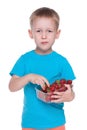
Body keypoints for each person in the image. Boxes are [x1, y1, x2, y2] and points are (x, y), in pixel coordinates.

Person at [9, 7, 76, 130]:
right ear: (31, 33)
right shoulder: (24, 60)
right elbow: (12, 87)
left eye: (49, 31)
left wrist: (70, 96)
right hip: (30, 123)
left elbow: (70, 92)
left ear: (57, 34)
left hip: (56, 123)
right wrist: (29, 77)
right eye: (39, 31)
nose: (44, 36)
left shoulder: (62, 62)